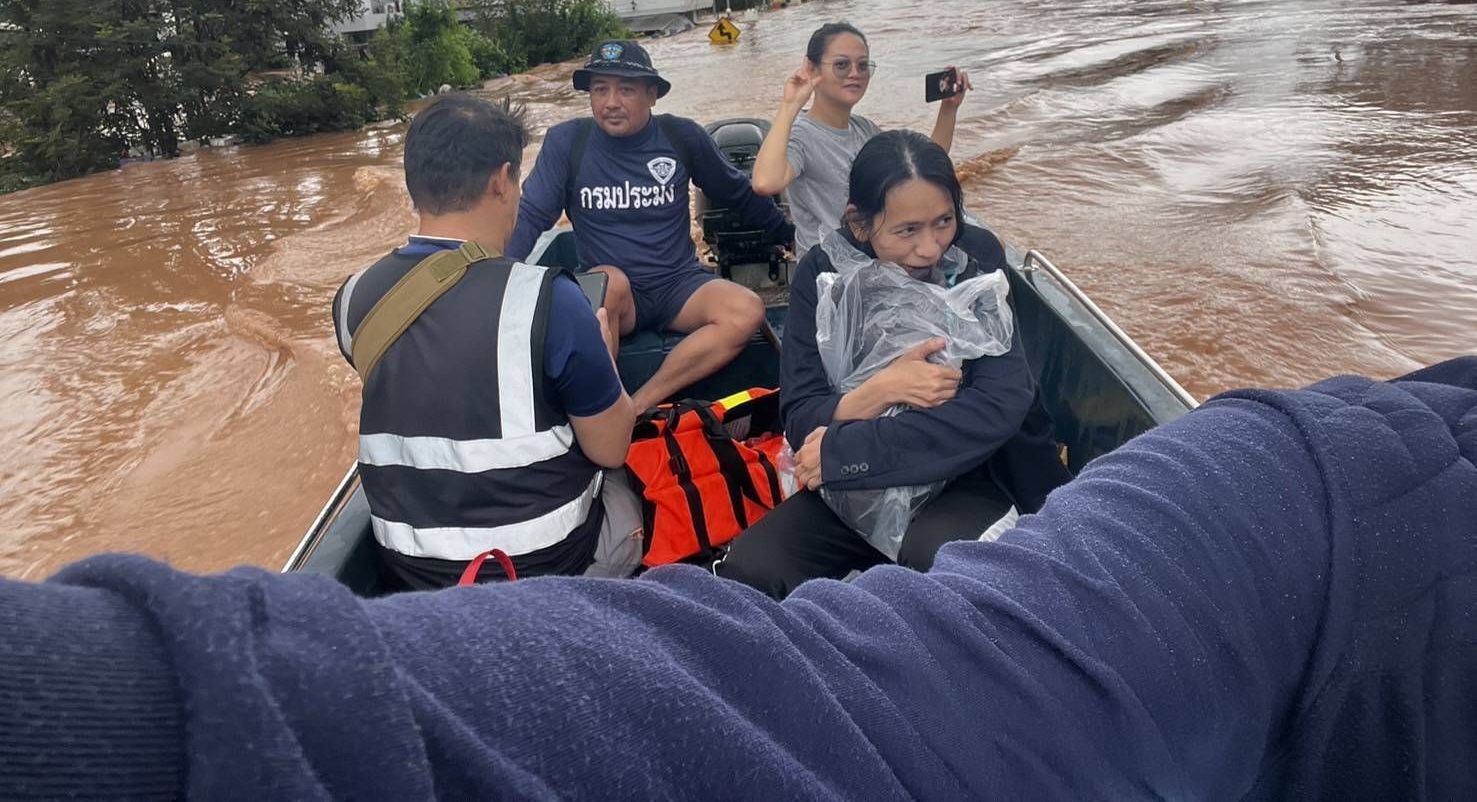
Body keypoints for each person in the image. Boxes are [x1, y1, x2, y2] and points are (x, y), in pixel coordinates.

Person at [3, 357, 1475, 797]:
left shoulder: (380, 293)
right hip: (599, 535)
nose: (623, 113)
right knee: (670, 472)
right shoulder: (1327, 494)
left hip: (458, 551)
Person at [720, 130, 1069, 598]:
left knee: (942, 563)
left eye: (944, 221)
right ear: (859, 224)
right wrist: (880, 391)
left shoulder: (976, 258)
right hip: (851, 487)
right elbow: (802, 418)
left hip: (966, 473)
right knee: (751, 571)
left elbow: (998, 404)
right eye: (907, 230)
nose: (930, 248)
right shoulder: (822, 275)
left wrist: (847, 450)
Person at [331, 94, 639, 589]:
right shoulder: (550, 300)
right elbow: (611, 448)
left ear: (414, 185)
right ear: (502, 180)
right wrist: (604, 356)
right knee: (629, 489)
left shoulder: (351, 300)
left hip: (413, 574)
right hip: (546, 569)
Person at [507, 39, 792, 413]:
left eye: (625, 89)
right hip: (617, 295)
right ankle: (602, 411)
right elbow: (531, 216)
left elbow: (735, 192)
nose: (610, 102)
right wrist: (497, 274)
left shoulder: (681, 137)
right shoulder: (568, 142)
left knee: (748, 309)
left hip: (678, 284)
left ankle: (638, 405)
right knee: (605, 286)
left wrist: (789, 235)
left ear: (652, 94)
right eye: (599, 89)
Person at [751, 22, 973, 254]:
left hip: (873, 258)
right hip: (829, 269)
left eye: (863, 65)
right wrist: (791, 104)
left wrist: (949, 109)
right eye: (841, 65)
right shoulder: (801, 136)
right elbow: (765, 182)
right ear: (812, 68)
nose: (855, 74)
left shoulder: (864, 129)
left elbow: (921, 166)